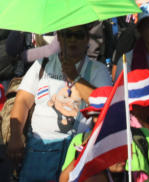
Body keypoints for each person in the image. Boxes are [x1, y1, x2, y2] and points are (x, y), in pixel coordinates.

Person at [8, 25, 112, 182]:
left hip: (77, 151)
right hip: (39, 150)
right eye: (67, 34)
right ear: (59, 38)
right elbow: (22, 101)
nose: (72, 40)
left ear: (87, 40)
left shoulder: (99, 70)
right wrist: (15, 136)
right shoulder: (42, 64)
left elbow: (104, 106)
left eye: (78, 35)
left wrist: (75, 77)